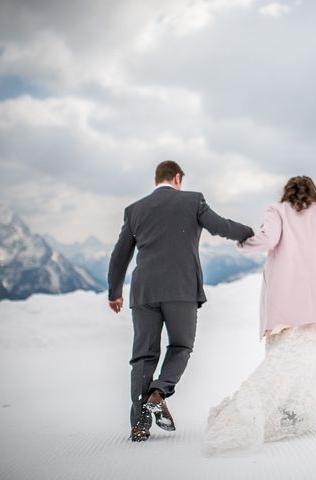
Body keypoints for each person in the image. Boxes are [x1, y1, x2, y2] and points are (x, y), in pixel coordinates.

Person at [204, 175, 316, 453]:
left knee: (278, 357)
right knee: (305, 361)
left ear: (286, 193)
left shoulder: (277, 211)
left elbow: (267, 239)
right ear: (315, 193)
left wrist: (242, 244)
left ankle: (274, 414)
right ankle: (290, 415)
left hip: (283, 302)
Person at [107, 160, 254, 442]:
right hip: (181, 290)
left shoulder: (135, 209)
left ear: (155, 179)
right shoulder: (192, 201)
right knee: (181, 345)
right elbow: (220, 226)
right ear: (177, 178)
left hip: (145, 292)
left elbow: (120, 254)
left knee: (143, 355)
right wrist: (248, 233)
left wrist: (114, 292)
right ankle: (159, 392)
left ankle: (139, 424)